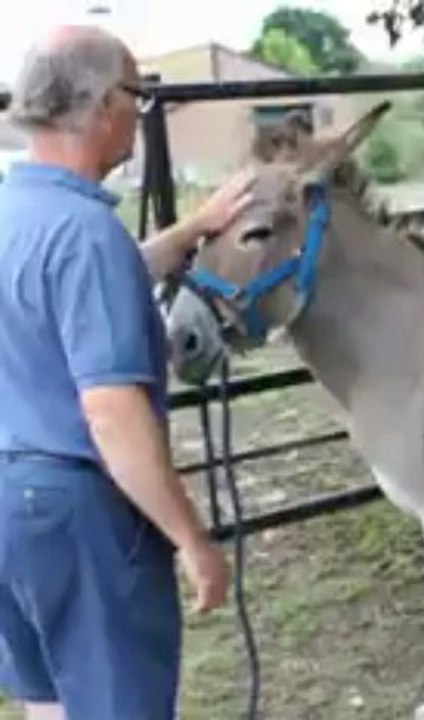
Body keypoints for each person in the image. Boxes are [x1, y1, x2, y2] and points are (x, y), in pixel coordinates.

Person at [0, 25, 256, 720]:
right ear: (103, 103)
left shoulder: (15, 213)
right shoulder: (86, 235)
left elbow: (71, 285)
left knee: (47, 704)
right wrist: (191, 539)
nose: (140, 120)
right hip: (82, 518)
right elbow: (112, 417)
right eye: (139, 97)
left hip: (11, 506)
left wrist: (192, 228)